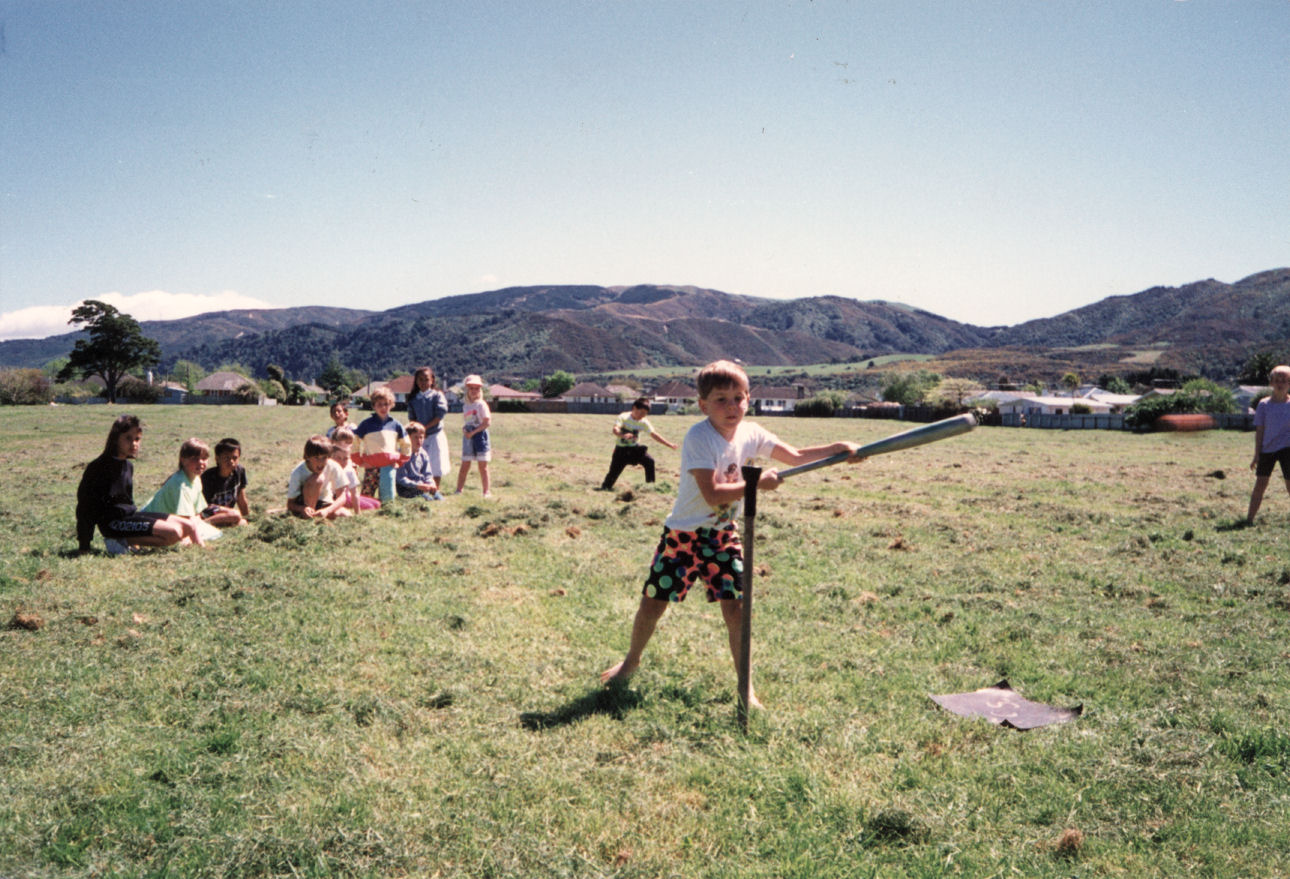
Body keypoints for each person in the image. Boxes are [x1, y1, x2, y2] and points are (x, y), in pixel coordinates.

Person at [600, 360, 864, 706]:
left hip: (723, 535)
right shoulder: (699, 437)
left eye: (738, 398)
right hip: (684, 534)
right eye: (721, 399)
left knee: (737, 610)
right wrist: (754, 484)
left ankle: (746, 688)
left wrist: (835, 451)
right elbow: (712, 494)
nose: (732, 407)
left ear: (748, 399)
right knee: (653, 603)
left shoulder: (751, 432)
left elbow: (795, 456)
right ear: (703, 405)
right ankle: (631, 662)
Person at [75, 414, 206, 554]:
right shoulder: (98, 467)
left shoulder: (128, 466)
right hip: (113, 524)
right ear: (115, 438)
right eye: (128, 438)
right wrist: (84, 545)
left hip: (129, 518)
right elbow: (85, 508)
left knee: (189, 525)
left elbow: (127, 502)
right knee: (173, 532)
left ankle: (202, 551)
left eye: (137, 439)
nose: (134, 444)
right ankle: (120, 541)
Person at [141, 438, 223, 542]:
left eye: (204, 458)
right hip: (153, 520)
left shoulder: (196, 479)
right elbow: (186, 519)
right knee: (182, 539)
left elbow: (195, 513)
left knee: (214, 533)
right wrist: (199, 544)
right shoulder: (181, 485)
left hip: (173, 520)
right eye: (195, 459)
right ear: (183, 460)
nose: (200, 462)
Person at [599, 396, 678, 490]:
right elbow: (615, 429)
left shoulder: (644, 422)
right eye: (641, 412)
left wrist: (669, 444)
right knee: (612, 476)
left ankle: (650, 487)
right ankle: (605, 487)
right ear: (634, 408)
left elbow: (654, 434)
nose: (642, 416)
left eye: (645, 414)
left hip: (634, 449)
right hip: (621, 451)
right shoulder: (623, 417)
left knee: (649, 461)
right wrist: (623, 435)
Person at [1247, 364, 1290, 524]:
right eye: (1277, 380)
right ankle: (1249, 519)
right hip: (1267, 449)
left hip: (1288, 449)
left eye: (1285, 380)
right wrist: (1256, 454)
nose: (1281, 383)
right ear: (1271, 383)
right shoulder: (1264, 405)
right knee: (1260, 485)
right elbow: (1259, 431)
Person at [354, 387, 411, 503]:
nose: (383, 407)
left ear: (391, 405)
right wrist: (359, 461)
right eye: (379, 404)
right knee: (365, 499)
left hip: (388, 467)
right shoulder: (366, 424)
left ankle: (385, 510)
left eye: (386, 404)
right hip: (371, 467)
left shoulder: (396, 425)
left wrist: (400, 461)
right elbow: (354, 442)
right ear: (374, 406)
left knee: (387, 500)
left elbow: (406, 444)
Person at [286, 435, 352, 519]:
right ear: (307, 457)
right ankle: (309, 516)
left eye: (324, 458)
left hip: (324, 503)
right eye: (316, 458)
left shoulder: (333, 466)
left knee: (346, 515)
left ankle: (317, 516)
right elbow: (290, 504)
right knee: (317, 479)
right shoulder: (298, 472)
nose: (321, 462)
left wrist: (327, 510)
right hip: (304, 504)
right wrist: (302, 508)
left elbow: (342, 497)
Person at [408, 366, 450, 496]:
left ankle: (435, 489)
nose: (423, 382)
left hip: (435, 435)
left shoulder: (437, 395)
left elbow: (440, 414)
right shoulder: (414, 399)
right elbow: (412, 418)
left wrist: (425, 428)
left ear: (432, 380)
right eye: (420, 379)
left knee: (436, 463)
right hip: (420, 437)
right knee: (420, 461)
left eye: (426, 379)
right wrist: (417, 431)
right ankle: (423, 488)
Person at [455, 374, 492, 498]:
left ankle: (486, 491)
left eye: (476, 388)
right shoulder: (466, 406)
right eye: (471, 388)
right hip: (468, 436)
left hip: (480, 436)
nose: (474, 391)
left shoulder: (481, 405)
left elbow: (487, 422)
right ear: (467, 390)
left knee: (483, 466)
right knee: (465, 464)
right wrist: (465, 430)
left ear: (480, 390)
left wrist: (474, 432)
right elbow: (468, 421)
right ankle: (459, 490)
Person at [200, 437, 250, 527]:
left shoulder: (239, 472)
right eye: (226, 458)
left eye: (235, 458)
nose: (231, 461)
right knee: (235, 515)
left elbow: (241, 499)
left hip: (226, 515)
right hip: (208, 513)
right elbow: (203, 506)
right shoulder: (207, 477)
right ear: (217, 458)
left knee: (243, 523)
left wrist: (248, 518)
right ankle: (202, 525)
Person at [330, 427, 378, 512]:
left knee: (377, 504)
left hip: (348, 493)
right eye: (345, 442)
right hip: (336, 496)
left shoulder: (348, 460)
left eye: (350, 442)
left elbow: (353, 489)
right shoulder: (331, 460)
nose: (348, 445)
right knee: (371, 507)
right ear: (334, 442)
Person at [397, 421, 440, 500]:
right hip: (406, 488)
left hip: (421, 486)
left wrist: (431, 483)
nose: (419, 440)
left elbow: (428, 474)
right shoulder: (401, 455)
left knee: (439, 498)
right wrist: (417, 485)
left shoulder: (423, 454)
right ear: (408, 438)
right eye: (415, 437)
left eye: (421, 437)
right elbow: (401, 479)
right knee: (428, 499)